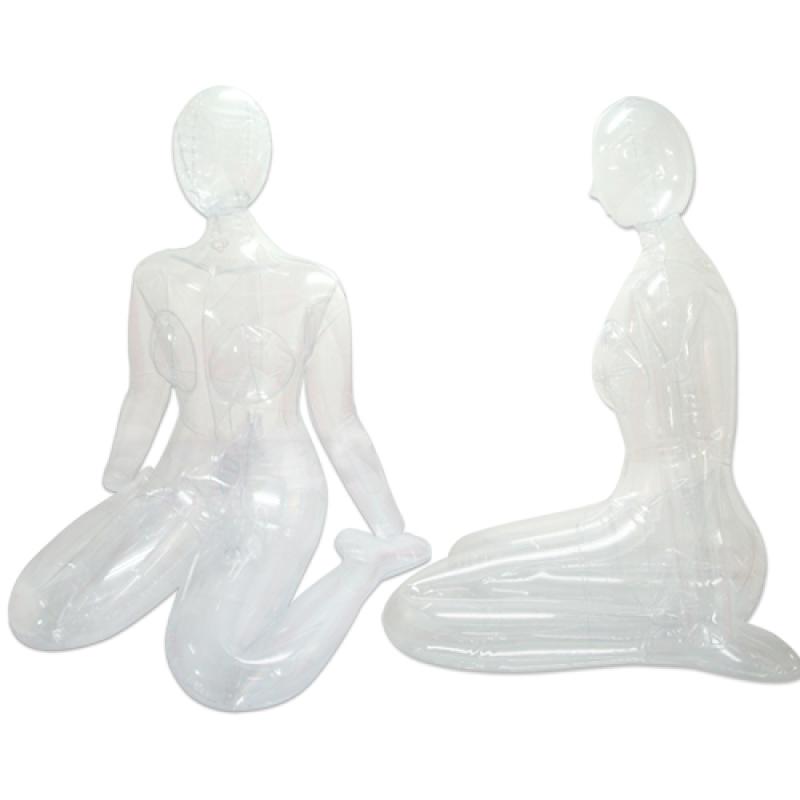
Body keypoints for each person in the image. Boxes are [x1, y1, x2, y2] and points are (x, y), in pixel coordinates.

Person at [9, 86, 430, 710]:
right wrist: (123, 477)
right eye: (190, 149)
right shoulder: (157, 277)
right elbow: (144, 393)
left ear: (260, 160)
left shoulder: (310, 288)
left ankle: (363, 566)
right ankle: (184, 541)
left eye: (215, 149)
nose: (198, 166)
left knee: (215, 668)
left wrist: (388, 528)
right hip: (179, 480)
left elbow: (339, 425)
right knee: (42, 613)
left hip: (276, 490)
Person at [383, 97, 799, 681]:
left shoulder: (672, 289)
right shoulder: (662, 276)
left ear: (651, 170)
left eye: (606, 168)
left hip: (686, 550)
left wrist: (709, 619)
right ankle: (676, 626)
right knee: (470, 550)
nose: (595, 189)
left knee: (415, 607)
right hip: (652, 521)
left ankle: (674, 639)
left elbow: (700, 454)